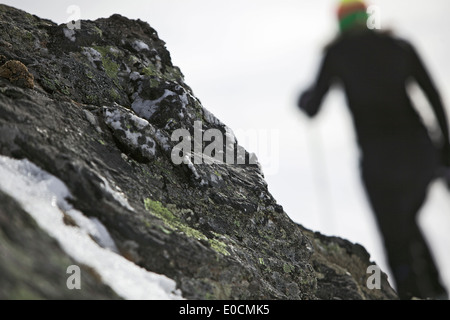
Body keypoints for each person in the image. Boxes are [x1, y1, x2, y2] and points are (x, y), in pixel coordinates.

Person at [298, 0, 449, 300]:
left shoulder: (336, 54)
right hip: (420, 155)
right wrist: (445, 152)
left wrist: (302, 99)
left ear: (340, 22)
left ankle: (414, 292)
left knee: (396, 236)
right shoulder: (398, 45)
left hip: (379, 163)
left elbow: (313, 106)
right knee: (407, 222)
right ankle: (436, 290)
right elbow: (433, 95)